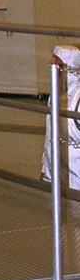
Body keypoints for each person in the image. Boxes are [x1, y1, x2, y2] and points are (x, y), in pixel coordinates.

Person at [41, 45, 80, 188]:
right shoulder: (56, 94)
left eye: (56, 61)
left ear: (68, 66)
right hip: (55, 173)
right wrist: (45, 170)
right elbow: (49, 137)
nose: (50, 64)